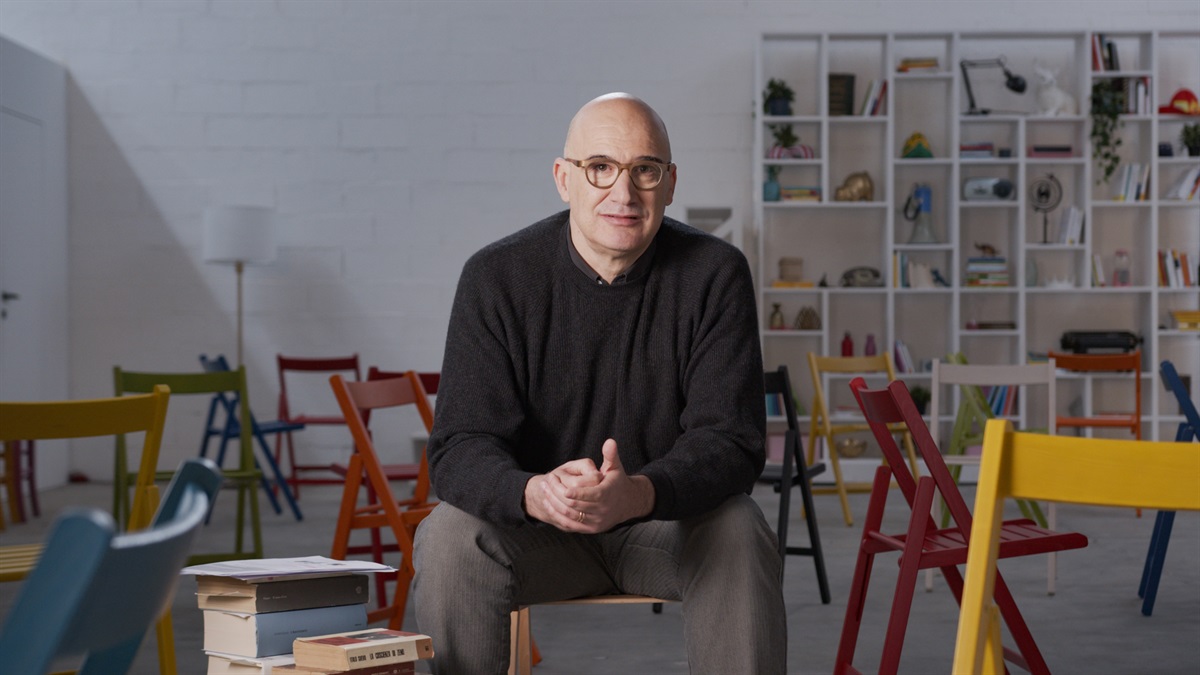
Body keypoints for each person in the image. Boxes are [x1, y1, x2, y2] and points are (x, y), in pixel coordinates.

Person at [413, 92, 786, 674]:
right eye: (600, 168)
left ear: (670, 182)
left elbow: (732, 442)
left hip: (665, 529)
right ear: (564, 179)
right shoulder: (496, 277)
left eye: (645, 170)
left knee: (739, 527)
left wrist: (637, 493)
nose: (624, 192)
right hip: (538, 535)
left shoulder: (714, 274)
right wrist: (535, 493)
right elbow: (459, 446)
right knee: (448, 536)